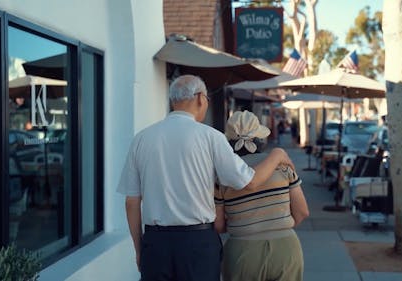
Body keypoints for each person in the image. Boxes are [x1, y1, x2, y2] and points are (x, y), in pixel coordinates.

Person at [116, 75, 294, 281]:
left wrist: (140, 249)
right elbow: (249, 182)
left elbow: (131, 202)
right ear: (200, 98)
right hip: (198, 243)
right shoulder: (211, 137)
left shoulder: (142, 139)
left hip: (156, 243)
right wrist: (277, 155)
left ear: (173, 101)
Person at [215, 110, 310, 281]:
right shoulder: (282, 166)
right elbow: (302, 212)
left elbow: (218, 225)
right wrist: (277, 227)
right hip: (285, 249)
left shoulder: (222, 175)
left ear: (228, 142)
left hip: (241, 252)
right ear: (260, 139)